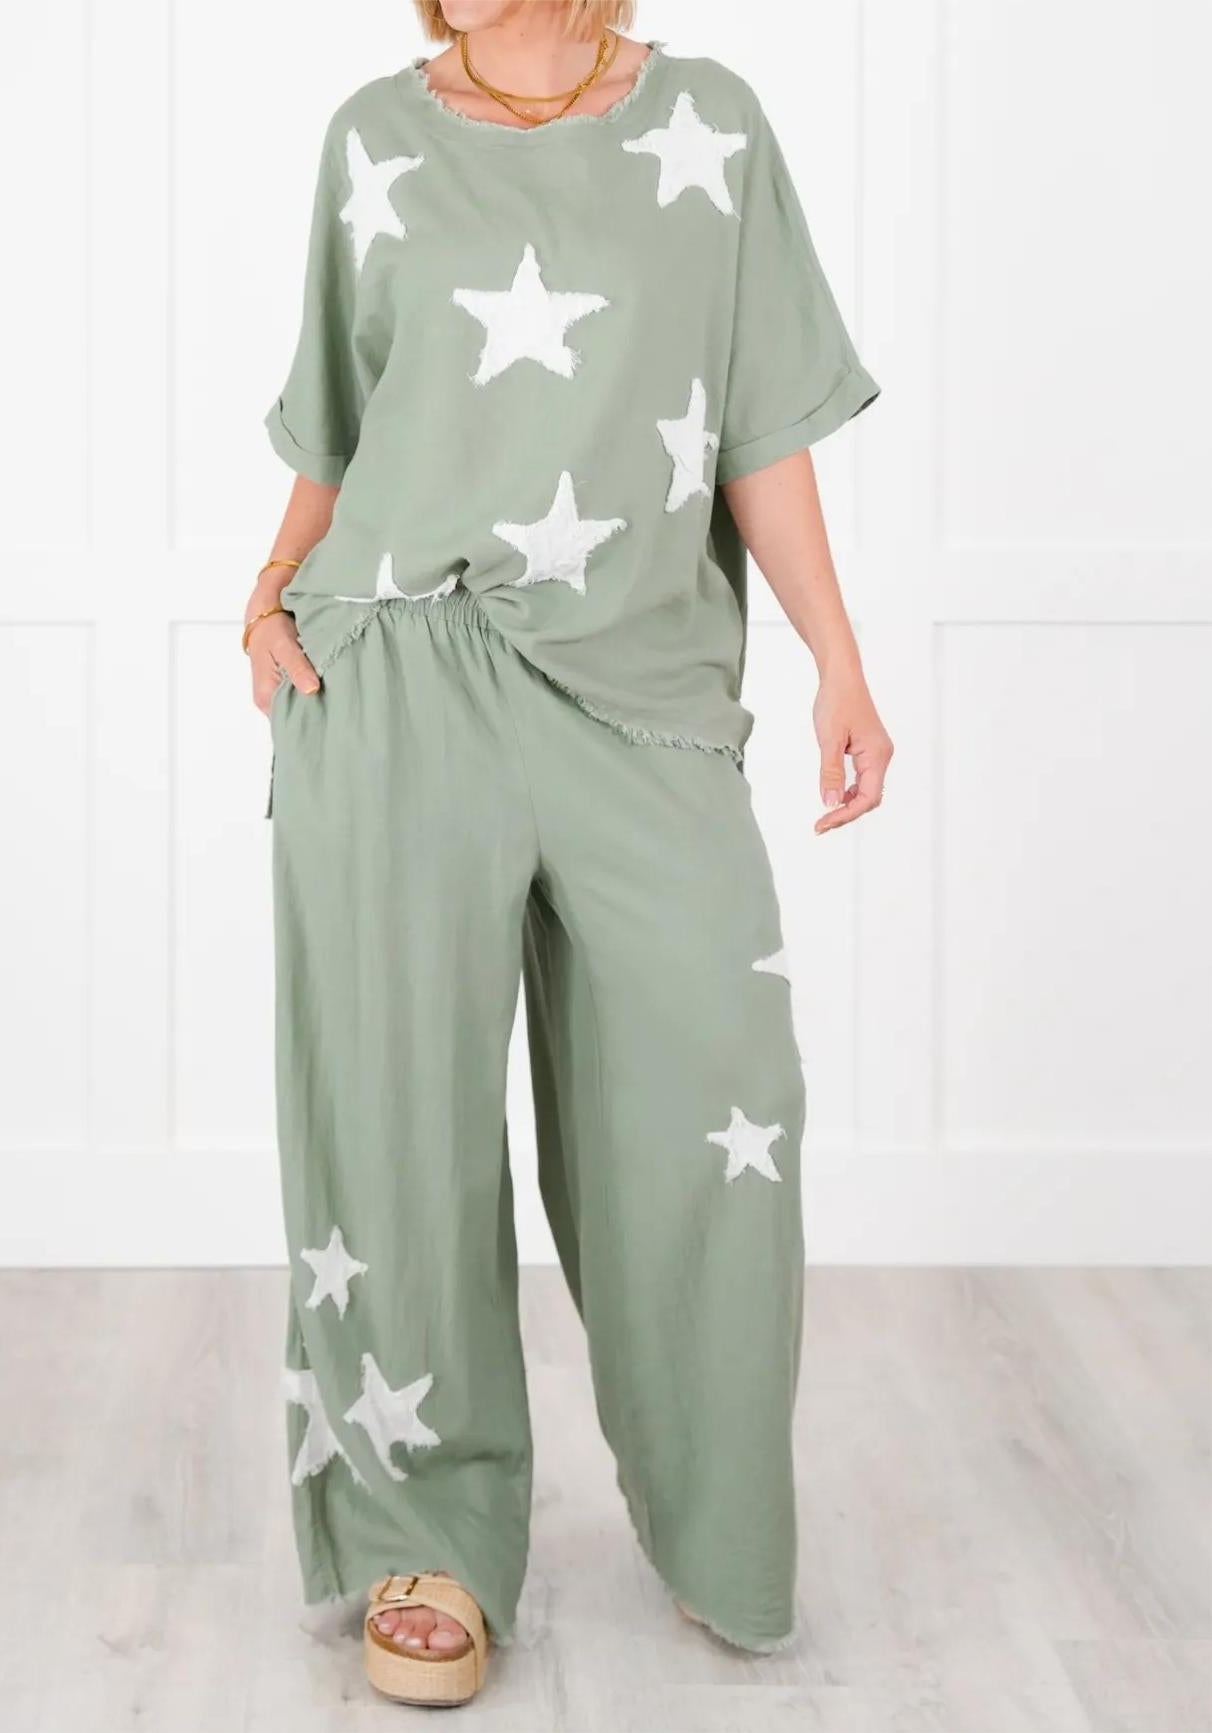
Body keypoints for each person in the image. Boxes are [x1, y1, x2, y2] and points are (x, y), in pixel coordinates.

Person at [247, 0, 891, 1707]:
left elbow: (761, 428)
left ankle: (719, 1512)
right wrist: (267, 593)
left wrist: (837, 658)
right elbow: (339, 428)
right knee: (395, 1117)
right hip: (397, 671)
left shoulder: (712, 126)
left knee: (722, 1078)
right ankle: (425, 1534)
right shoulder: (374, 137)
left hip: (639, 690)